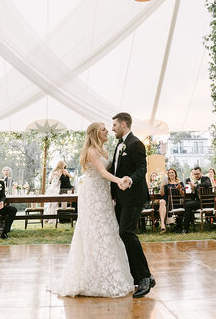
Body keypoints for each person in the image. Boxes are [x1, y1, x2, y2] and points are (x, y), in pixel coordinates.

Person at [52, 122, 134, 298]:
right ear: (96, 133)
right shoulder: (91, 151)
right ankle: (92, 277)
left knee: (108, 230)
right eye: (104, 129)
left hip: (104, 194)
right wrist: (119, 181)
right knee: (95, 231)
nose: (108, 131)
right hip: (92, 195)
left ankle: (111, 272)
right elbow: (103, 173)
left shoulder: (105, 149)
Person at [110, 112, 155, 298]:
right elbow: (115, 170)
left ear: (123, 124)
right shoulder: (119, 145)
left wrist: (130, 179)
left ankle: (145, 277)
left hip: (134, 196)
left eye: (114, 125)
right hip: (121, 198)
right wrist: (113, 195)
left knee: (126, 232)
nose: (112, 128)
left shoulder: (136, 143)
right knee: (123, 234)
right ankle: (137, 276)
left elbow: (142, 169)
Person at [182, 166, 212, 233]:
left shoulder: (206, 178)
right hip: (199, 202)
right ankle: (186, 227)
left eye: (198, 174)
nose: (196, 175)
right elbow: (193, 196)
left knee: (187, 205)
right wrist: (193, 190)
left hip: (206, 202)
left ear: (201, 173)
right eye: (195, 174)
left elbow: (207, 184)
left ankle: (186, 228)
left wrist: (196, 186)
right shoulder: (195, 182)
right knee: (186, 204)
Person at [159, 168, 183, 233]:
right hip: (167, 201)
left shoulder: (180, 183)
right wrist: (162, 186)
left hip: (176, 202)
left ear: (175, 174)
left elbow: (182, 194)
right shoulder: (166, 184)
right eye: (169, 173)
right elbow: (162, 194)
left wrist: (179, 189)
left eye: (172, 172)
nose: (171, 174)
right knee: (161, 201)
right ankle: (163, 225)